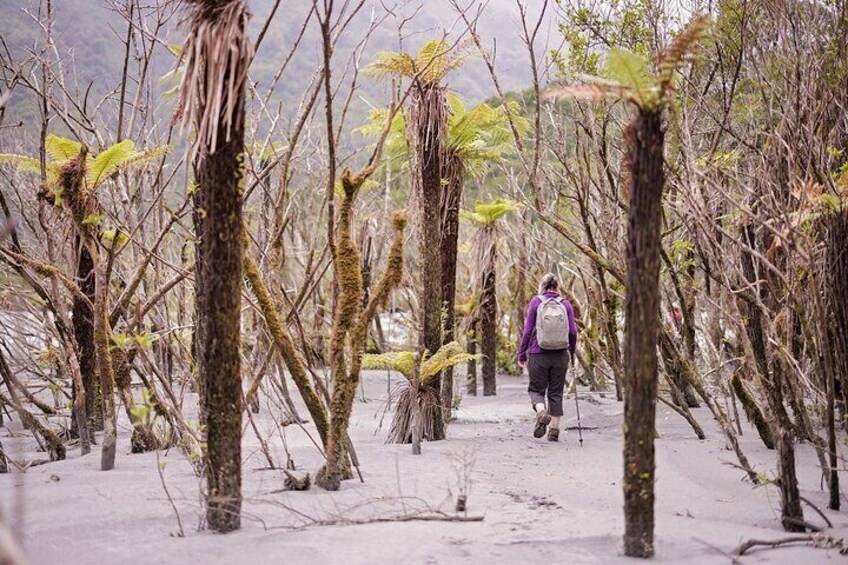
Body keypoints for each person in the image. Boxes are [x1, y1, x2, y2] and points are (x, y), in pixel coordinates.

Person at [517, 273, 578, 442]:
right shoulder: (565, 304)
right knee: (556, 392)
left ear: (542, 287)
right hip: (560, 354)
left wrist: (522, 354)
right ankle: (554, 431)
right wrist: (571, 350)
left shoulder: (536, 302)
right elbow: (573, 332)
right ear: (557, 287)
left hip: (538, 353)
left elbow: (528, 331)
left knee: (536, 390)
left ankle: (541, 412)